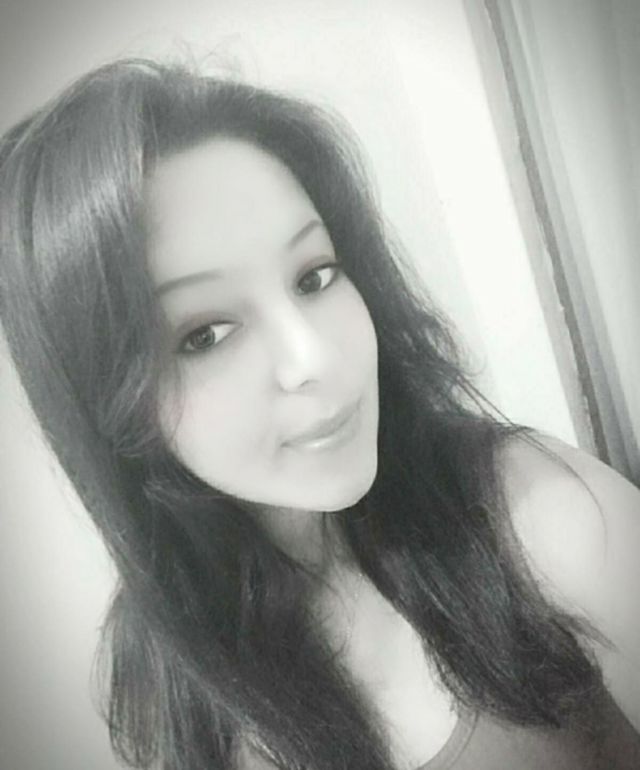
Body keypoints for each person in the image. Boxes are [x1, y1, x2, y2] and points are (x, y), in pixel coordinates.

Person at [0, 58, 638, 770]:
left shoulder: (533, 511)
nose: (313, 357)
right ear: (109, 402)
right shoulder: (158, 682)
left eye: (315, 276)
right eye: (205, 334)